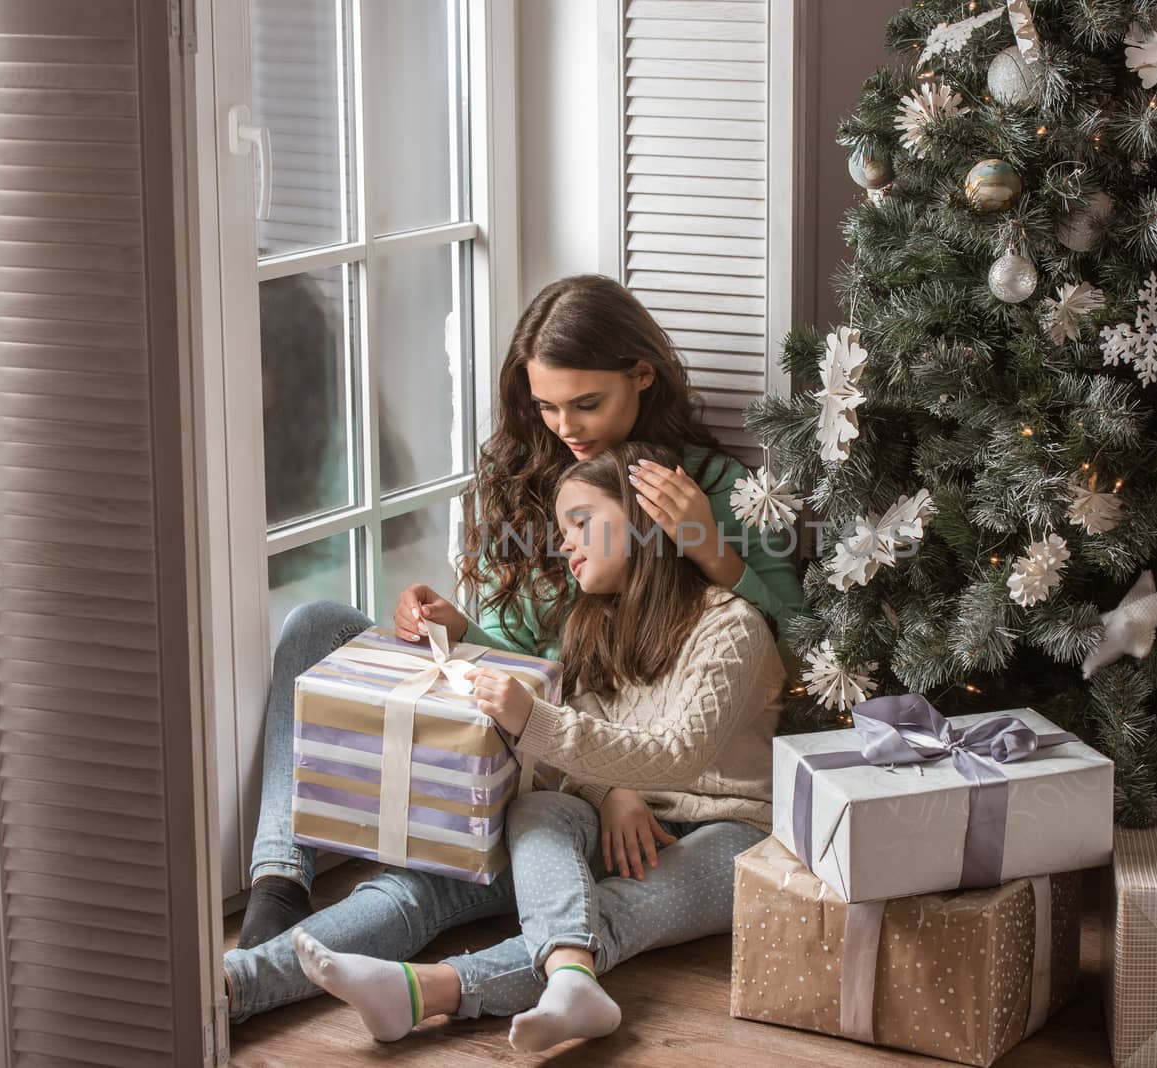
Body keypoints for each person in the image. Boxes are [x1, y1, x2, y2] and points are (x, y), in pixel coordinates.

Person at [224, 273, 802, 1013]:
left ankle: (436, 989)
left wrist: (708, 544)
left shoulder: (708, 493)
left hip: (640, 773)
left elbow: (790, 649)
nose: (566, 425)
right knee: (315, 627)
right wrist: (459, 630)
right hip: (555, 757)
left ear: (642, 376)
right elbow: (535, 662)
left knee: (552, 898)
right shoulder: (527, 477)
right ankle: (276, 888)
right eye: (546, 405)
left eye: (587, 404)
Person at [290, 442, 783, 1050]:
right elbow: (587, 741)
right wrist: (608, 794)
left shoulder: (733, 626)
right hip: (632, 814)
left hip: (731, 828)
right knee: (538, 810)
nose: (565, 544)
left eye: (581, 523)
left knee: (612, 911)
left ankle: (432, 989)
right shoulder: (596, 623)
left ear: (644, 519)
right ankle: (569, 983)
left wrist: (534, 720)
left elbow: (676, 752)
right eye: (560, 530)